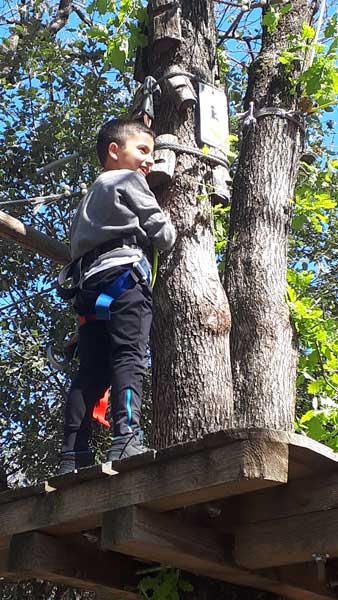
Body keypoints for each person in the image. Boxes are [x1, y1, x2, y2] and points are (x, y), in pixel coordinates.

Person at [58, 119, 176, 474]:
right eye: (142, 150)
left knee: (91, 370)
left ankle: (71, 455)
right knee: (129, 358)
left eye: (152, 154)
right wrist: (168, 229)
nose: (148, 161)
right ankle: (125, 438)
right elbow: (163, 233)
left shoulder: (89, 198)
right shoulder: (127, 180)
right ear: (114, 151)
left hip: (89, 289)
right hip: (124, 279)